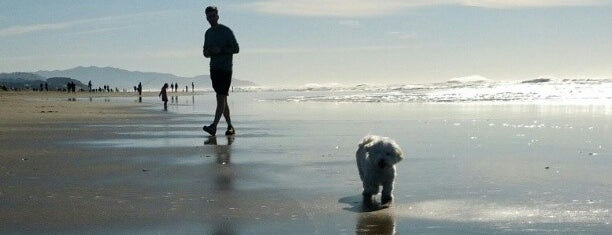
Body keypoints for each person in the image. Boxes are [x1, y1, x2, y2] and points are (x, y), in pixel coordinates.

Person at [202, 6, 239, 136]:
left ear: (218, 16)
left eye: (213, 16)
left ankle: (214, 126)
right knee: (222, 99)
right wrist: (209, 52)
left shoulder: (226, 31)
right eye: (209, 16)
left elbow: (236, 48)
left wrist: (221, 50)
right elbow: (205, 53)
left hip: (225, 69)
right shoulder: (208, 33)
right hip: (214, 69)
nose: (211, 18)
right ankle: (230, 126)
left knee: (220, 97)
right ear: (206, 18)